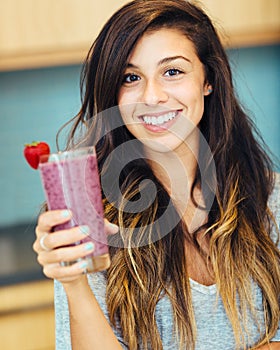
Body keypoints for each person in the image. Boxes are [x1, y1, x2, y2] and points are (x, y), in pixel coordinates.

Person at [33, 0, 280, 349]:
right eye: (131, 78)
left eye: (173, 72)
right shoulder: (89, 219)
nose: (151, 96)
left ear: (207, 79)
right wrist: (75, 284)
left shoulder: (272, 199)